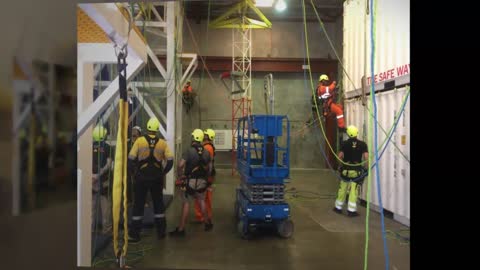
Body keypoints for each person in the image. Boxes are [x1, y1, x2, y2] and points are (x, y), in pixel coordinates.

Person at [127, 117, 174, 242]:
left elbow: (130, 159)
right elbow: (170, 161)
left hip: (141, 178)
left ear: (147, 128)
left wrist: (134, 173)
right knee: (158, 204)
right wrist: (163, 172)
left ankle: (135, 234)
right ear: (157, 129)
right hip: (156, 178)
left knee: (138, 205)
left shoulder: (139, 141)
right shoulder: (163, 143)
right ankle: (161, 232)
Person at [170, 129, 213, 237]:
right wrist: (206, 179)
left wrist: (181, 175)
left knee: (186, 203)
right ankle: (207, 223)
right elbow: (210, 168)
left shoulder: (189, 151)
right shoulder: (207, 152)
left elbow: (180, 165)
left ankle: (181, 229)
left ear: (194, 138)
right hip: (202, 182)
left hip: (190, 181)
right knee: (201, 200)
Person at [333, 125, 368, 217]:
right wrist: (365, 169)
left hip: (345, 171)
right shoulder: (363, 144)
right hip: (356, 172)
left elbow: (339, 156)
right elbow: (366, 158)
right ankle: (351, 211)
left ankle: (338, 207)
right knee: (353, 190)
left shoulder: (344, 144)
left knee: (342, 188)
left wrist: (339, 166)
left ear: (348, 134)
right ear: (357, 133)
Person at [92, 125, 113, 234]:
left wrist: (92, 176)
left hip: (91, 181)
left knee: (91, 207)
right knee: (105, 208)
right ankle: (106, 230)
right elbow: (109, 164)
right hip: (104, 181)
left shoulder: (89, 146)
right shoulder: (108, 147)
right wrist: (99, 174)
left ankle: (90, 230)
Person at [194, 129, 216, 223]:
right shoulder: (208, 146)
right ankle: (206, 215)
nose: (204, 136)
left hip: (205, 175)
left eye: (205, 135)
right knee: (206, 196)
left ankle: (201, 216)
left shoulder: (207, 147)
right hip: (208, 174)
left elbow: (205, 162)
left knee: (202, 196)